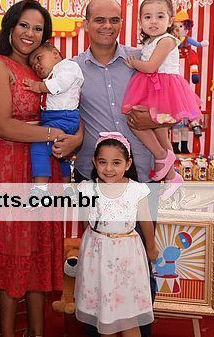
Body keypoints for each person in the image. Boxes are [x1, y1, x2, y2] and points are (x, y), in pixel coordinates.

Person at [52, 0, 158, 337]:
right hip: (95, 173)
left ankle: (140, 328)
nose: (107, 26)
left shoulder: (140, 61)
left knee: (141, 258)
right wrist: (72, 140)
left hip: (141, 169)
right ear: (86, 24)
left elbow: (169, 103)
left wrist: (155, 119)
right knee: (100, 256)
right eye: (99, 20)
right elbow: (68, 114)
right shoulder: (71, 69)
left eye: (114, 20)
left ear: (122, 23)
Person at [0, 0, 77, 337]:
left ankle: (37, 331)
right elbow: (2, 125)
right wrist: (51, 134)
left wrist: (73, 138)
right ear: (10, 27)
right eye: (24, 25)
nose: (29, 33)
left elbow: (73, 110)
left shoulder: (46, 71)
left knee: (38, 252)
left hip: (44, 167)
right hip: (8, 166)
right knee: (12, 252)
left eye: (38, 28)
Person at [75, 133, 158, 337]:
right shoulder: (88, 188)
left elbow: (146, 221)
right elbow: (87, 222)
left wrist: (151, 247)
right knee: (105, 315)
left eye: (116, 163)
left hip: (127, 259)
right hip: (98, 258)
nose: (109, 169)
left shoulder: (136, 190)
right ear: (94, 162)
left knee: (128, 315)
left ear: (128, 163)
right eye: (103, 162)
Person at [122, 0, 201, 199]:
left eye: (160, 16)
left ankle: (161, 156)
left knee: (136, 121)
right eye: (147, 17)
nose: (153, 21)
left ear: (170, 20)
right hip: (152, 88)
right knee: (158, 129)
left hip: (164, 89)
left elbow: (151, 67)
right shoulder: (150, 42)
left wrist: (134, 63)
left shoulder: (167, 40)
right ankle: (172, 175)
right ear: (140, 22)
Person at [23, 42, 84, 201]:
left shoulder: (68, 67)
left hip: (64, 117)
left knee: (39, 147)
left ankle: (40, 189)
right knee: (60, 153)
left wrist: (38, 86)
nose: (36, 65)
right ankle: (67, 188)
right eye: (33, 65)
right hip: (54, 117)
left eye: (39, 58)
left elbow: (60, 85)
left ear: (55, 53)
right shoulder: (52, 74)